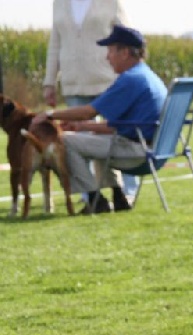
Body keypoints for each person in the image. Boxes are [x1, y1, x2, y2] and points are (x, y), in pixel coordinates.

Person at [32, 24, 167, 215]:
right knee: (95, 137)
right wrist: (81, 127)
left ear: (125, 53)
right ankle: (118, 196)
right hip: (154, 150)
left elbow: (88, 111)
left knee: (65, 141)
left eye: (110, 51)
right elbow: (122, 126)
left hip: (136, 153)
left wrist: (49, 115)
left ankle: (95, 199)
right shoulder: (147, 76)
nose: (107, 57)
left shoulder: (130, 79)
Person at [43, 0, 140, 206]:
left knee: (118, 135)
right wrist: (49, 82)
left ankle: (127, 191)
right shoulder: (59, 3)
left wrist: (133, 79)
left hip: (108, 81)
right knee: (76, 141)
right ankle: (89, 194)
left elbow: (129, 37)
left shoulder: (111, 2)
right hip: (73, 83)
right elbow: (55, 43)